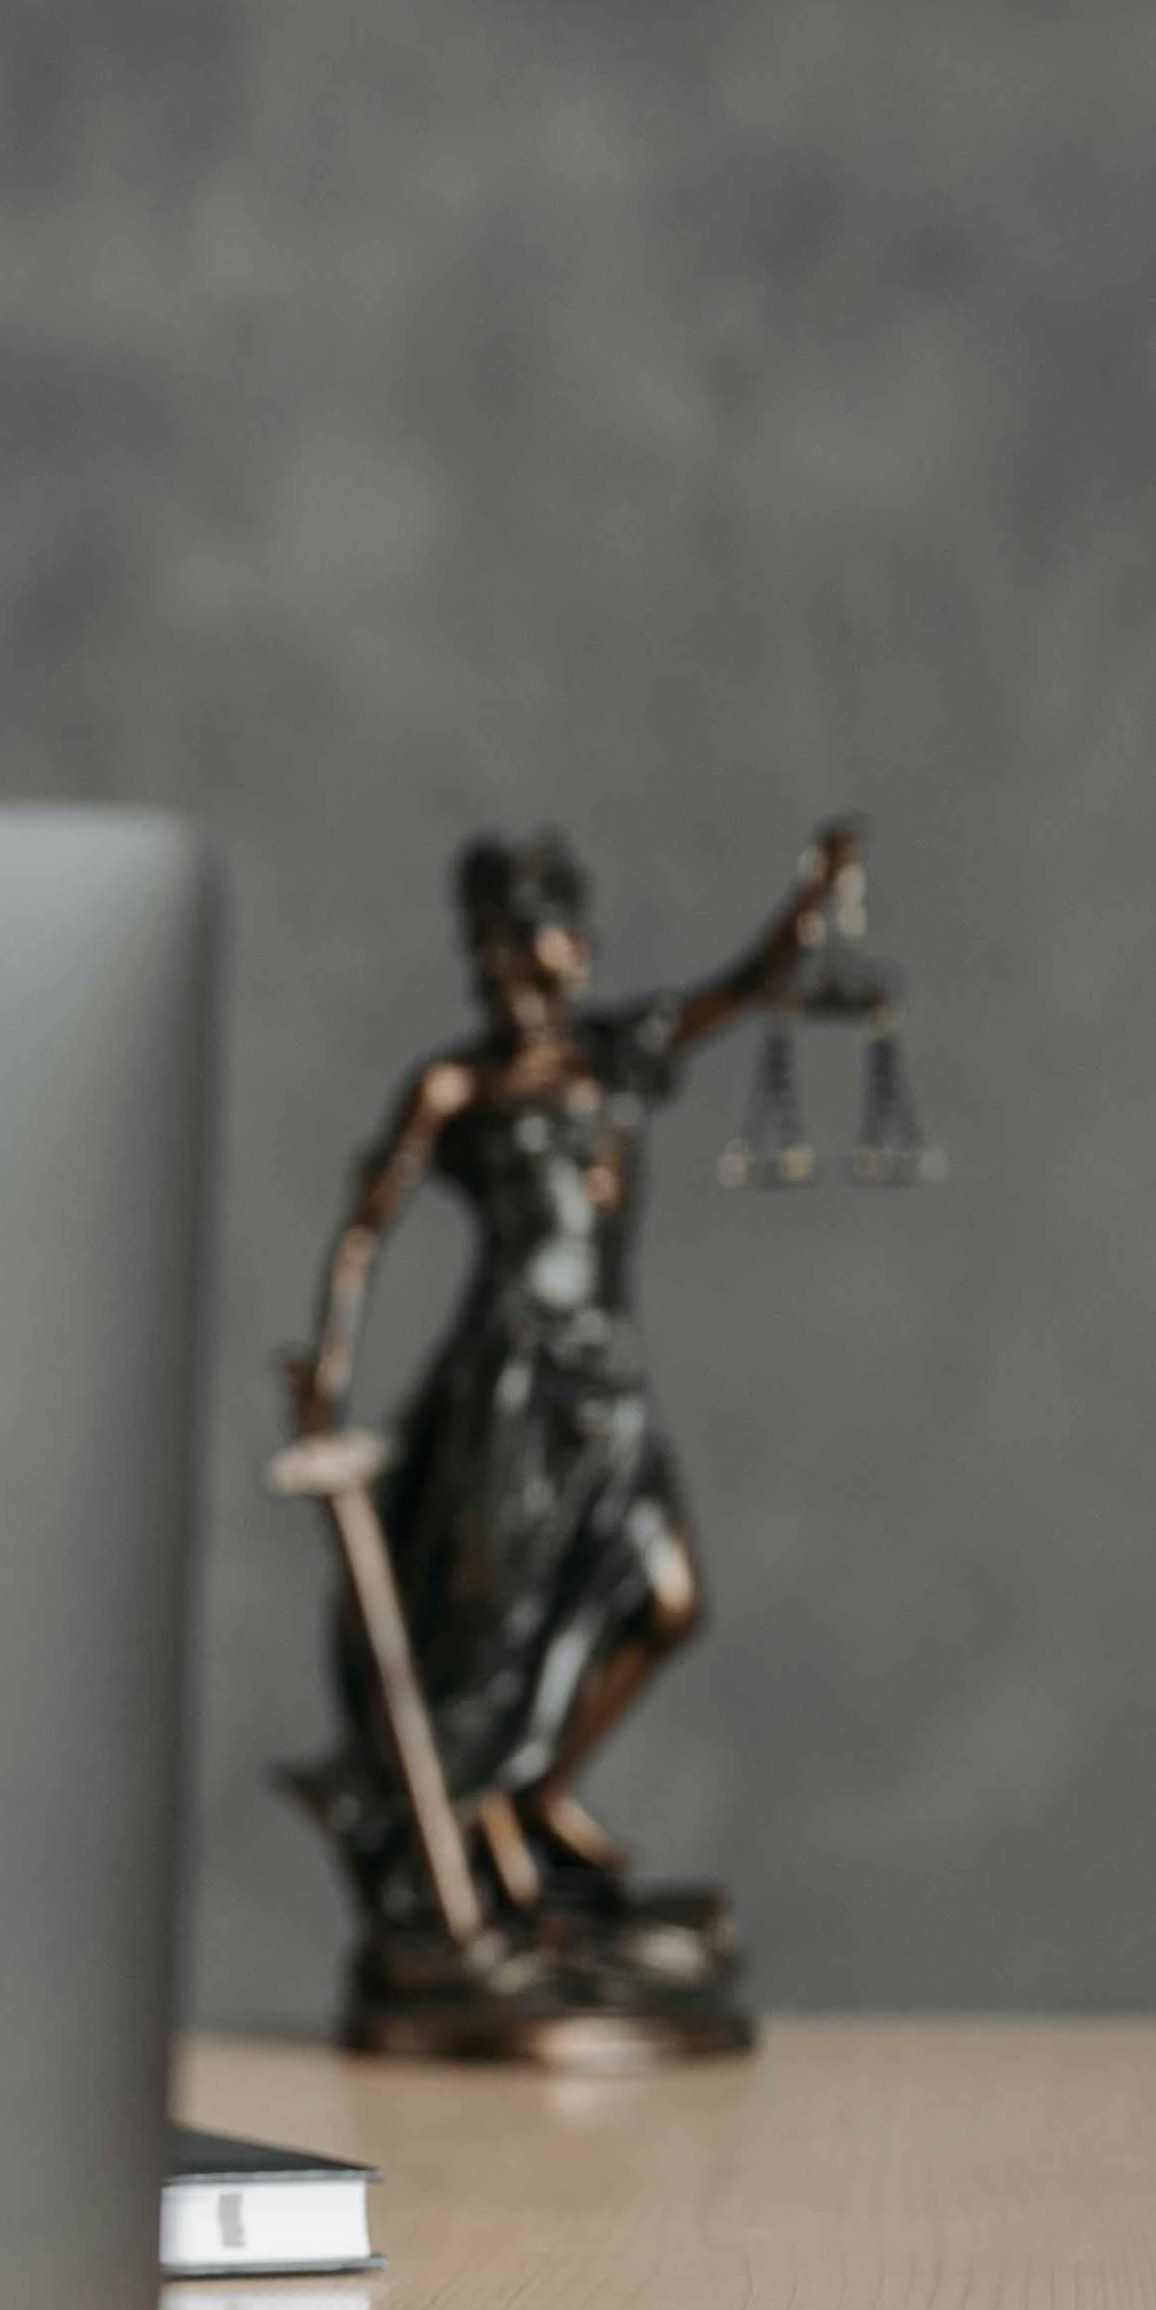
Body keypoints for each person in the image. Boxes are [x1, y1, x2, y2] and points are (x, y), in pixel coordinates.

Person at [277, 822, 857, 2058]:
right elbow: (366, 1222)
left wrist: (805, 911)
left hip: (611, 1376)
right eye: (513, 947)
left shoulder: (614, 1054)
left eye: (555, 939)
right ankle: (471, 1834)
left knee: (666, 1597)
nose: (542, 967)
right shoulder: (457, 1087)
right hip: (510, 1386)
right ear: (486, 958)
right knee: (489, 1627)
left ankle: (532, 1789)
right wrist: (324, 1368)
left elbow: (740, 991)